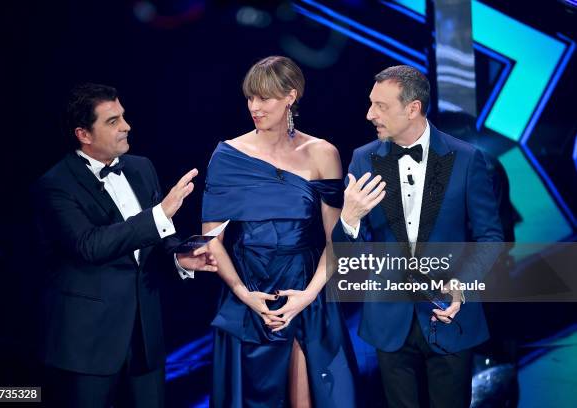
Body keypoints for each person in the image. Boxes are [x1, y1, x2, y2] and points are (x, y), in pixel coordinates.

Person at [32, 83, 217, 407]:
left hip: (145, 338)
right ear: (83, 135)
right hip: (87, 344)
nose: (126, 126)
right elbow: (89, 246)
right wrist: (159, 213)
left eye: (124, 117)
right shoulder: (55, 185)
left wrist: (180, 258)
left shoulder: (141, 167)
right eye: (112, 121)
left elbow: (161, 238)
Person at [332, 65, 503, 408]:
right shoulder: (363, 160)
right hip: (388, 320)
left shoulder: (468, 159)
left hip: (449, 316)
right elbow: (349, 252)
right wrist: (348, 220)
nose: (369, 114)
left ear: (412, 108)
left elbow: (490, 237)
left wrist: (461, 286)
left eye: (381, 106)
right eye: (370, 104)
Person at [202, 56, 358, 407]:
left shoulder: (321, 153)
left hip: (305, 289)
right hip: (249, 290)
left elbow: (338, 239)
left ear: (291, 96)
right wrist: (244, 294)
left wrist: (309, 295)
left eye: (264, 98)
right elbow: (213, 242)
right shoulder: (227, 156)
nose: (254, 108)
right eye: (250, 98)